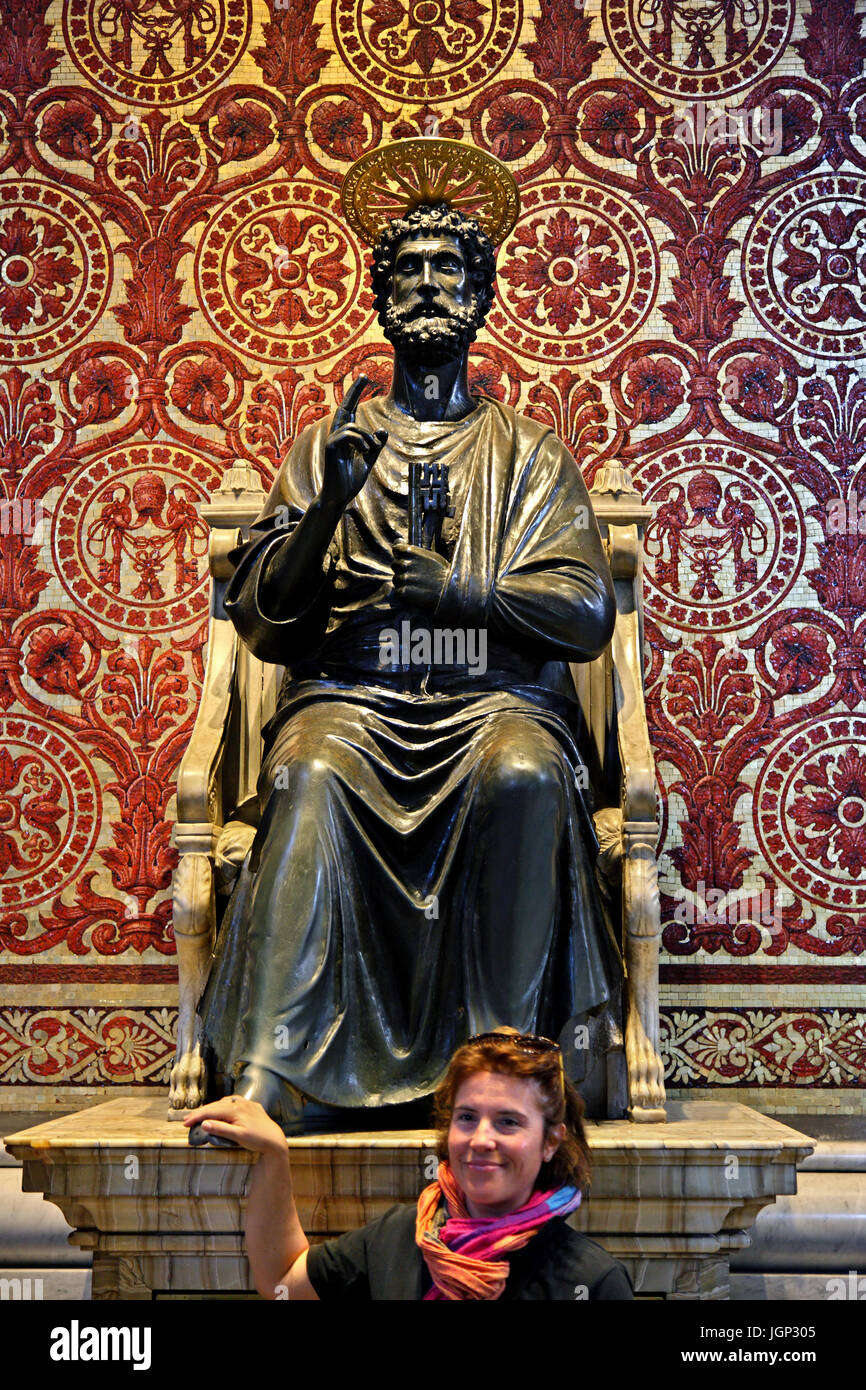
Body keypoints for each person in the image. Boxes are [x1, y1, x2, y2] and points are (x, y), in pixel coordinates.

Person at [195, 190, 621, 1132]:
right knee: (307, 775)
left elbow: (588, 613)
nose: (428, 285)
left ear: (481, 295)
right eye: (409, 271)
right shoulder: (329, 447)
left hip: (494, 700)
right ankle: (274, 1079)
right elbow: (265, 619)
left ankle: (508, 1087)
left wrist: (468, 597)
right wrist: (327, 506)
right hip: (351, 698)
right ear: (382, 297)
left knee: (523, 775)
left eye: (448, 269)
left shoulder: (531, 454)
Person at [184, 1030, 634, 1300]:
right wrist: (273, 1155)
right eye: (467, 1117)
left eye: (508, 1122)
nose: (480, 1140)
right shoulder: (399, 1237)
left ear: (550, 1142)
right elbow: (282, 1280)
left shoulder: (592, 1282)